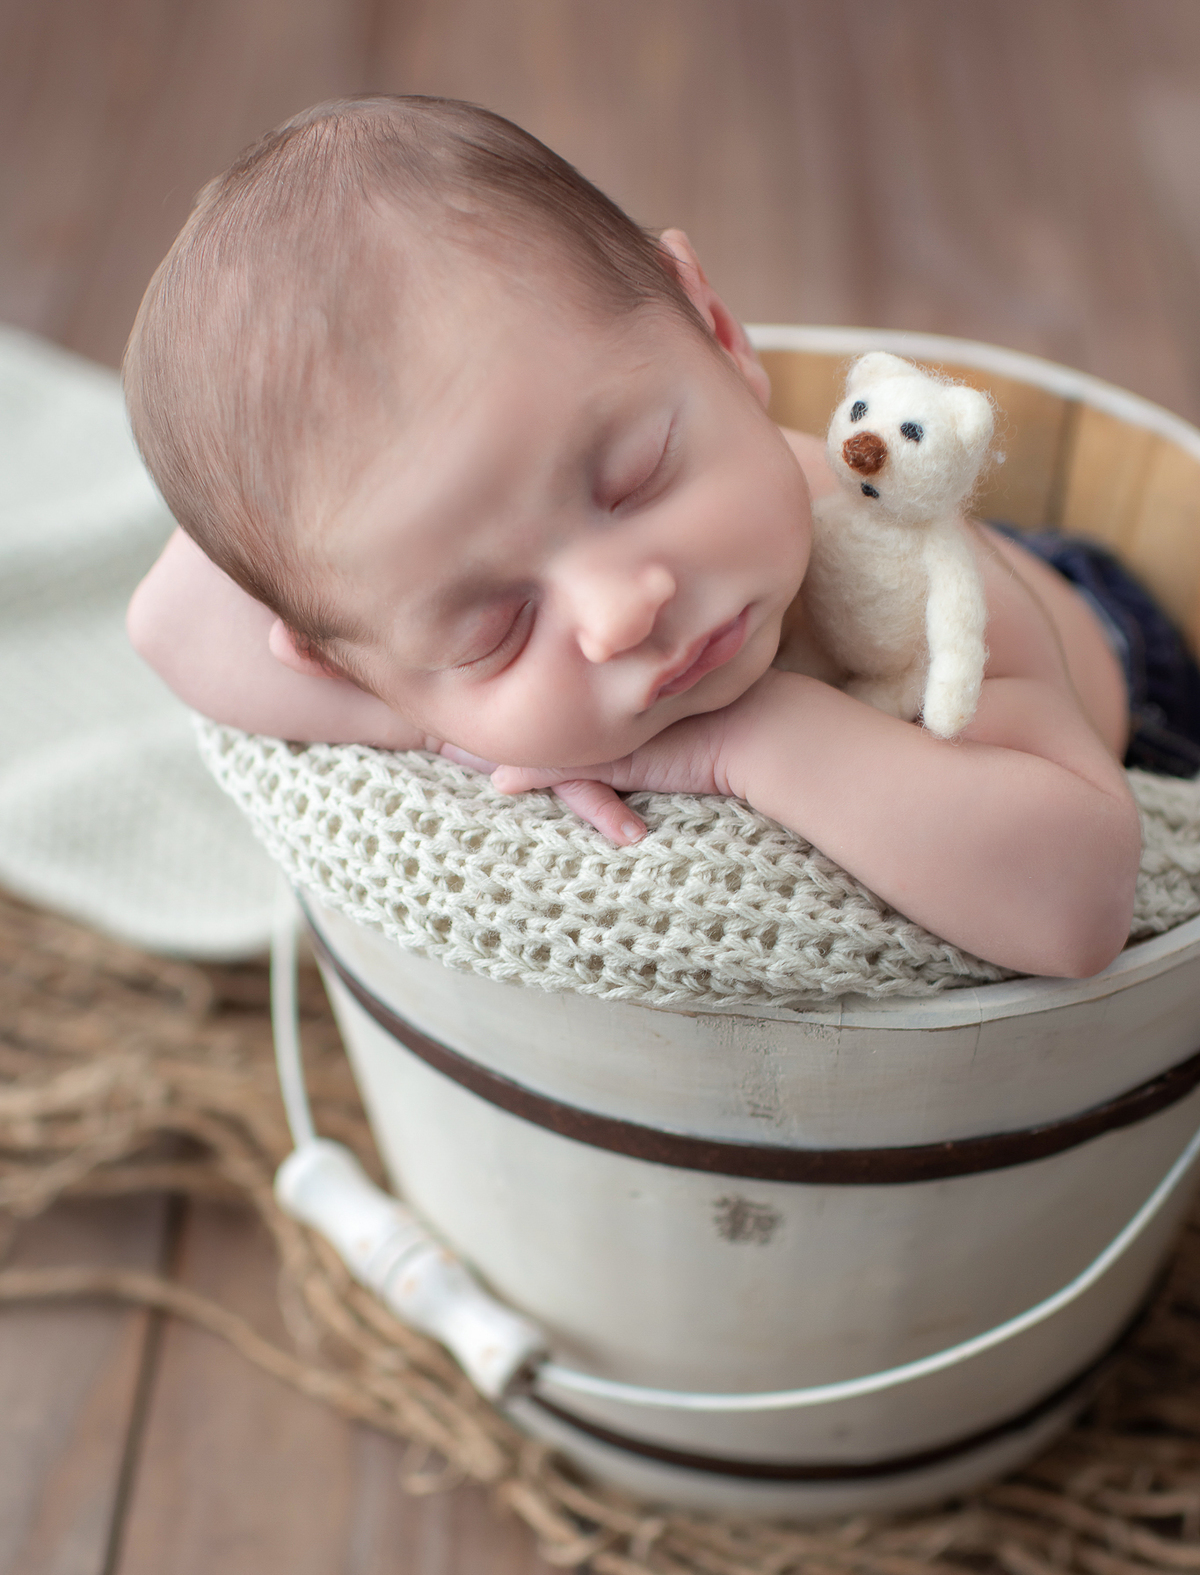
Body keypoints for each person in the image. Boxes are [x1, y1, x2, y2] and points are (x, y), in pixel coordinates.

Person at [125, 95, 1150, 980]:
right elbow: (172, 619)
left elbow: (1080, 905)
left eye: (634, 477)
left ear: (717, 331)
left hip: (1108, 683)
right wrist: (447, 721)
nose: (622, 612)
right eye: (493, 629)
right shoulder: (402, 619)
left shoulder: (905, 579)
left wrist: (746, 741)